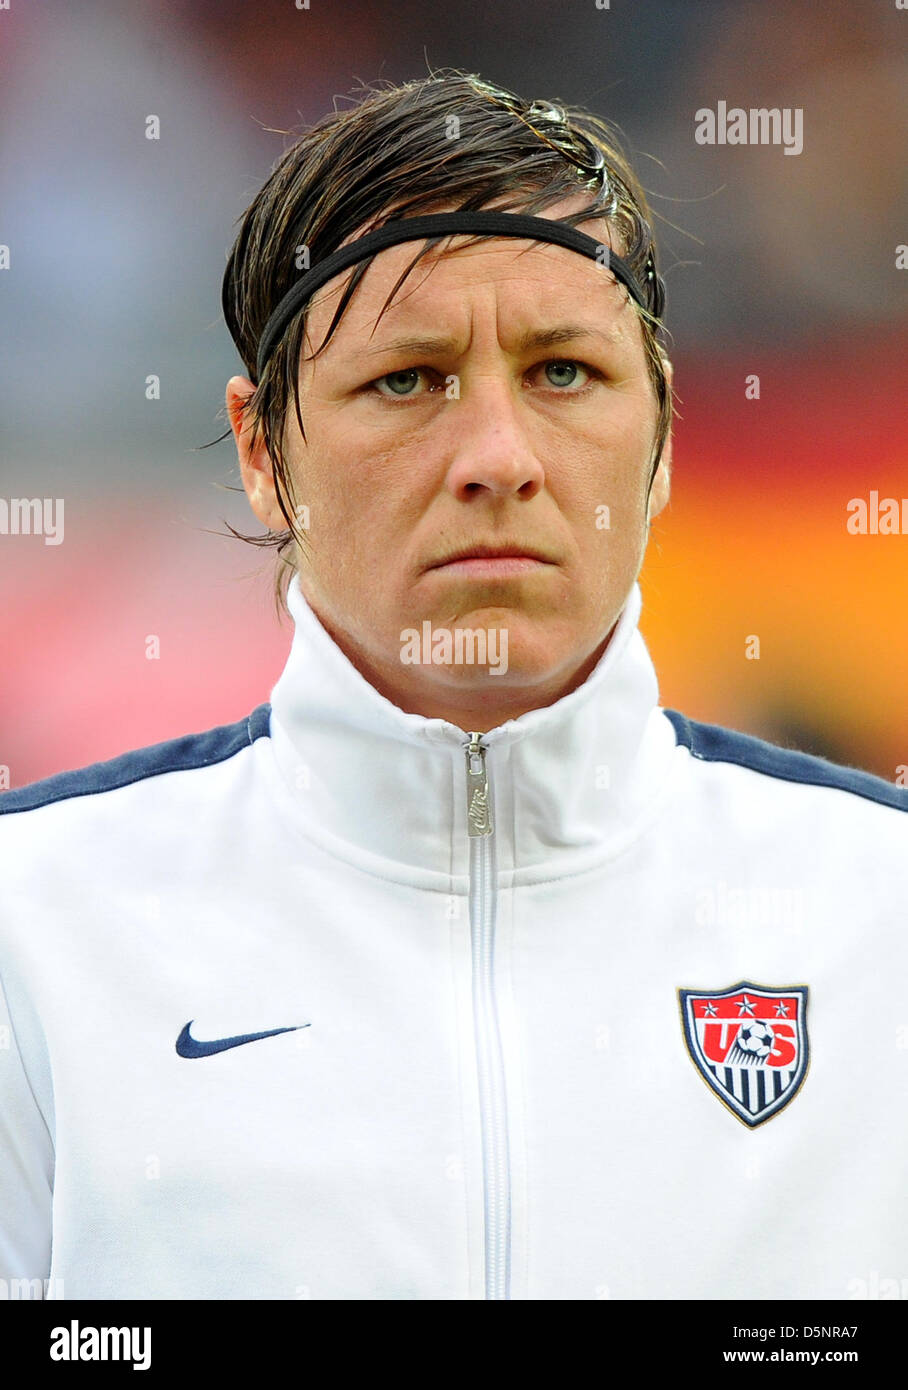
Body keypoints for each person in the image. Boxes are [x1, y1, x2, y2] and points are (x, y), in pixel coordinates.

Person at [0, 70, 905, 1303]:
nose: (496, 458)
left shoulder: (879, 914)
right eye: (407, 379)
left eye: (563, 373)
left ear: (664, 441)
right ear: (264, 453)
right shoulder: (37, 931)